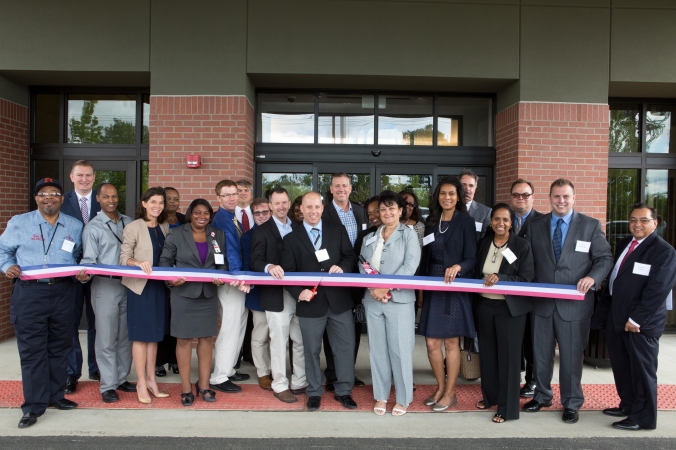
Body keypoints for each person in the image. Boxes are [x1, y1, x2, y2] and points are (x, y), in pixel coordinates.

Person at [523, 179, 613, 424]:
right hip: (541, 304)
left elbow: (604, 258)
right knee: (541, 355)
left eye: (565, 197)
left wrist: (592, 278)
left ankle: (572, 402)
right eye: (556, 196)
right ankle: (542, 396)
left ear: (574, 198)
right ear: (549, 198)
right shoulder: (534, 225)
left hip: (574, 306)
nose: (561, 201)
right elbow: (525, 258)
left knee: (572, 357)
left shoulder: (590, 226)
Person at [0, 178, 82, 428]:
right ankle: (34, 406)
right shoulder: (19, 223)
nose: (49, 198)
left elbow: (78, 256)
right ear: (36, 198)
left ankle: (56, 395)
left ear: (61, 198)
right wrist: (7, 266)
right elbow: (3, 251)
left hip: (64, 292)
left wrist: (81, 271)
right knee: (33, 350)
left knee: (60, 346)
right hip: (30, 293)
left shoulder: (75, 225)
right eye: (44, 194)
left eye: (55, 193)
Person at [591, 203, 676, 431]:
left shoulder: (663, 251)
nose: (637, 224)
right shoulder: (624, 244)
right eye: (633, 220)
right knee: (622, 367)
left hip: (640, 323)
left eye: (644, 220)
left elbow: (658, 289)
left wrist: (636, 319)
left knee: (641, 372)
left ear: (655, 223)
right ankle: (627, 404)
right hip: (617, 318)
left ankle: (643, 418)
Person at [280, 192, 358, 411]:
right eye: (309, 207)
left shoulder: (337, 230)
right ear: (301, 210)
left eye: (317, 207)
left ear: (322, 209)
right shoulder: (291, 239)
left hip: (339, 301)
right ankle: (314, 391)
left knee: (344, 348)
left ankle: (343, 391)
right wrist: (298, 292)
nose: (313, 211)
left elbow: (350, 257)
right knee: (311, 350)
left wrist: (343, 267)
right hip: (310, 302)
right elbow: (287, 272)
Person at [159, 199, 228, 406]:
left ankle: (204, 385)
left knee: (207, 339)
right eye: (198, 212)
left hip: (208, 295)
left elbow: (221, 263)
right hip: (183, 294)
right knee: (184, 341)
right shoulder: (177, 233)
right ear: (190, 213)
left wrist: (220, 276)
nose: (202, 216)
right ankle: (186, 388)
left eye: (206, 213)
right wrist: (171, 280)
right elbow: (164, 262)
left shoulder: (217, 234)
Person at [359, 190, 420, 416]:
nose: (386, 212)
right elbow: (362, 264)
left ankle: (403, 398)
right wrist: (373, 288)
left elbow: (410, 267)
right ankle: (381, 396)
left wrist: (386, 288)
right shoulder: (370, 236)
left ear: (400, 210)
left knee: (400, 350)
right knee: (378, 350)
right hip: (373, 301)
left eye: (391, 208)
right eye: (382, 209)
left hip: (400, 301)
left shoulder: (409, 234)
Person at [418, 176, 477, 411]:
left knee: (452, 343)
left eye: (451, 193)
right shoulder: (431, 222)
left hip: (454, 286)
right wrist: (422, 288)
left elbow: (472, 258)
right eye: (443, 193)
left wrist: (458, 266)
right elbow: (425, 258)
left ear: (458, 197)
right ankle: (441, 387)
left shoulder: (466, 222)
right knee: (432, 343)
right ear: (437, 196)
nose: (447, 197)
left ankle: (451, 392)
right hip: (433, 284)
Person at [474, 203, 534, 423]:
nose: (501, 223)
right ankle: (489, 398)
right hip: (484, 306)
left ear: (511, 223)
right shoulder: (483, 244)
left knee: (508, 359)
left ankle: (507, 410)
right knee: (488, 356)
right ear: (491, 222)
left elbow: (527, 277)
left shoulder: (522, 246)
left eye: (505, 220)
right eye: (497, 219)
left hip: (510, 309)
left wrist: (502, 278)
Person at [76, 183, 136, 403]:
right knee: (106, 337)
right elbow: (89, 260)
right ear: (98, 199)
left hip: (128, 285)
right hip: (105, 286)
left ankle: (121, 378)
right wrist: (84, 273)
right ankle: (108, 385)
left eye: (114, 196)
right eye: (106, 196)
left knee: (124, 335)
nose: (111, 200)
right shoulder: (92, 228)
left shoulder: (128, 222)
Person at [252, 188, 307, 403]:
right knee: (278, 339)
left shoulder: (300, 227)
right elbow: (255, 261)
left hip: (299, 291)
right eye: (277, 203)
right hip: (277, 292)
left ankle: (299, 381)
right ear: (270, 205)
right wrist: (269, 266)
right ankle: (280, 384)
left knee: (300, 338)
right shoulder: (262, 230)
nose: (282, 206)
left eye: (285, 202)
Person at [119, 187, 171, 403]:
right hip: (140, 288)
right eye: (153, 202)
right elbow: (123, 258)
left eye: (160, 202)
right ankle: (140, 381)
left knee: (155, 336)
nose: (157, 206)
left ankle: (151, 379)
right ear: (144, 203)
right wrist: (138, 263)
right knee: (141, 337)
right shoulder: (133, 227)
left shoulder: (165, 227)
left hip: (160, 288)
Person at [321, 172, 367, 389]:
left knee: (354, 326)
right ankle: (332, 374)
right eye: (337, 186)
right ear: (331, 189)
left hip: (357, 277)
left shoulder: (360, 211)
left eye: (345, 185)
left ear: (350, 188)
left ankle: (348, 370)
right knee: (333, 326)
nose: (341, 189)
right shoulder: (323, 213)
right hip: (334, 275)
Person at [60, 160, 100, 393]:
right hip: (70, 273)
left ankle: (96, 368)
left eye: (88, 175)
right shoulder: (62, 202)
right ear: (71, 177)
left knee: (98, 323)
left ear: (94, 177)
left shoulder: (102, 200)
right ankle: (71, 373)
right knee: (70, 323)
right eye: (80, 175)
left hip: (98, 273)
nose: (84, 179)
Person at [209, 180, 251, 393]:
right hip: (231, 278)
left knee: (239, 323)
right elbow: (231, 250)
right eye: (227, 195)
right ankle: (219, 376)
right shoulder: (222, 219)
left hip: (236, 276)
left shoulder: (232, 217)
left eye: (234, 194)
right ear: (218, 198)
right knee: (230, 326)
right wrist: (238, 277)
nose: (232, 198)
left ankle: (230, 367)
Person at [509, 178, 542, 398]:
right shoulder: (503, 218)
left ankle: (532, 381)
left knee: (532, 339)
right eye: (516, 195)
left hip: (533, 289)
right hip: (508, 288)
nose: (521, 199)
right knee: (513, 338)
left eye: (525, 195)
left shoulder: (544, 221)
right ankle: (512, 379)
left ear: (532, 197)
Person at [241, 197, 274, 391]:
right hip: (257, 291)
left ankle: (274, 369)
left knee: (277, 334)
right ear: (252, 215)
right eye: (257, 213)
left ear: (271, 212)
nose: (261, 216)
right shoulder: (247, 236)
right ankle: (263, 372)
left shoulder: (281, 232)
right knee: (261, 333)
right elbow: (247, 262)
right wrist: (248, 283)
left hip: (278, 291)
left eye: (265, 212)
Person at [155, 186, 185, 378]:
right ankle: (159, 362)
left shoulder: (184, 220)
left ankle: (174, 359)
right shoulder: (155, 220)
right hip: (160, 275)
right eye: (169, 199)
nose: (172, 202)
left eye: (176, 199)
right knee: (161, 318)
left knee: (177, 319)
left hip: (181, 277)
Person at [236, 179, 255, 367]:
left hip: (255, 272)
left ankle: (250, 354)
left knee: (253, 317)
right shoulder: (228, 216)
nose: (242, 193)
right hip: (236, 274)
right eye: (238, 190)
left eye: (245, 190)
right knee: (237, 318)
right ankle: (235, 358)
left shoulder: (257, 214)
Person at [460, 169, 491, 241]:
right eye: (463, 185)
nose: (467, 189)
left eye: (471, 186)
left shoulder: (486, 212)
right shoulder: (449, 209)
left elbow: (485, 239)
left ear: (475, 189)